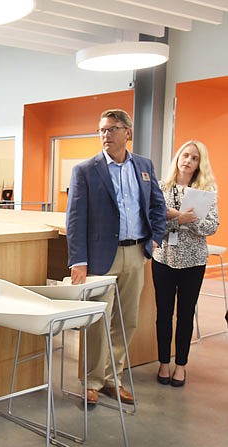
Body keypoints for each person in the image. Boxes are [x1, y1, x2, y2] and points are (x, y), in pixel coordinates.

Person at [66, 109, 166, 406]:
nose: (106, 135)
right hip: (100, 258)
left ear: (128, 133)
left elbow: (157, 207)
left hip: (136, 253)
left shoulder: (144, 167)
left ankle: (113, 378)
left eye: (112, 129)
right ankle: (93, 381)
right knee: (98, 320)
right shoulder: (86, 170)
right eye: (102, 130)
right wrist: (78, 260)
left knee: (127, 321)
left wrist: (154, 241)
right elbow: (75, 218)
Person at [152, 140, 219, 387]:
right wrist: (181, 218)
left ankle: (181, 365)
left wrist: (186, 220)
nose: (188, 161)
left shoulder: (207, 191)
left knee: (185, 314)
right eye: (185, 155)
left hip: (193, 261)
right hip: (164, 259)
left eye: (194, 158)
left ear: (200, 164)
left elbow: (211, 226)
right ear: (178, 157)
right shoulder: (161, 187)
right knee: (163, 314)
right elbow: (155, 223)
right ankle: (163, 363)